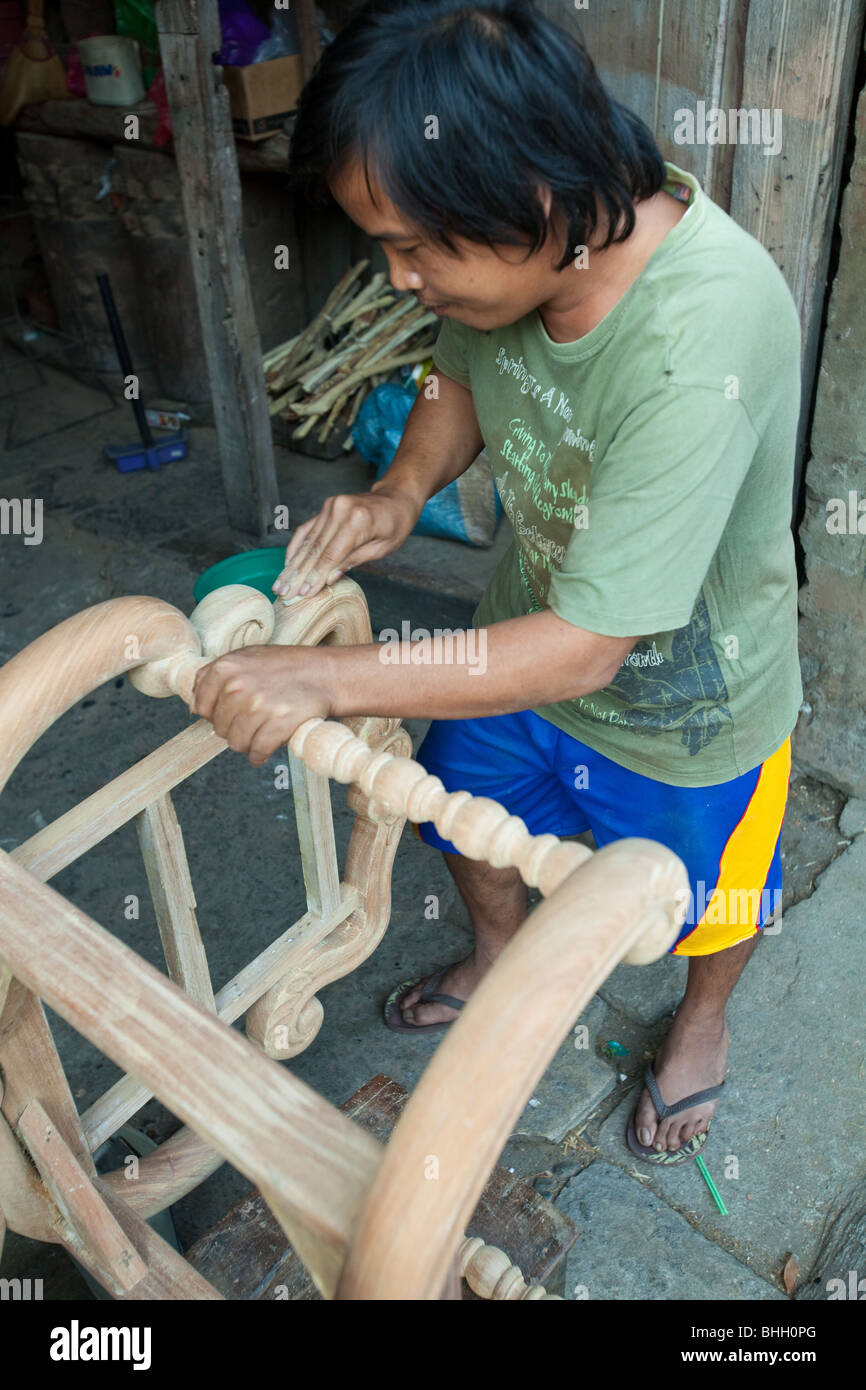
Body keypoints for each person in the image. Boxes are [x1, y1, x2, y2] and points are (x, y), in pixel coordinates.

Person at [192, 0, 802, 1162]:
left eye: (417, 247)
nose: (400, 278)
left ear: (531, 197)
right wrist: (397, 490)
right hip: (513, 647)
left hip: (683, 707)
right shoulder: (515, 265)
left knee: (713, 899)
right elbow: (455, 377)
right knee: (465, 819)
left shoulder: (699, 336)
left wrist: (325, 678)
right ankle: (491, 956)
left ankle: (702, 1023)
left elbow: (587, 646)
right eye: (383, 245)